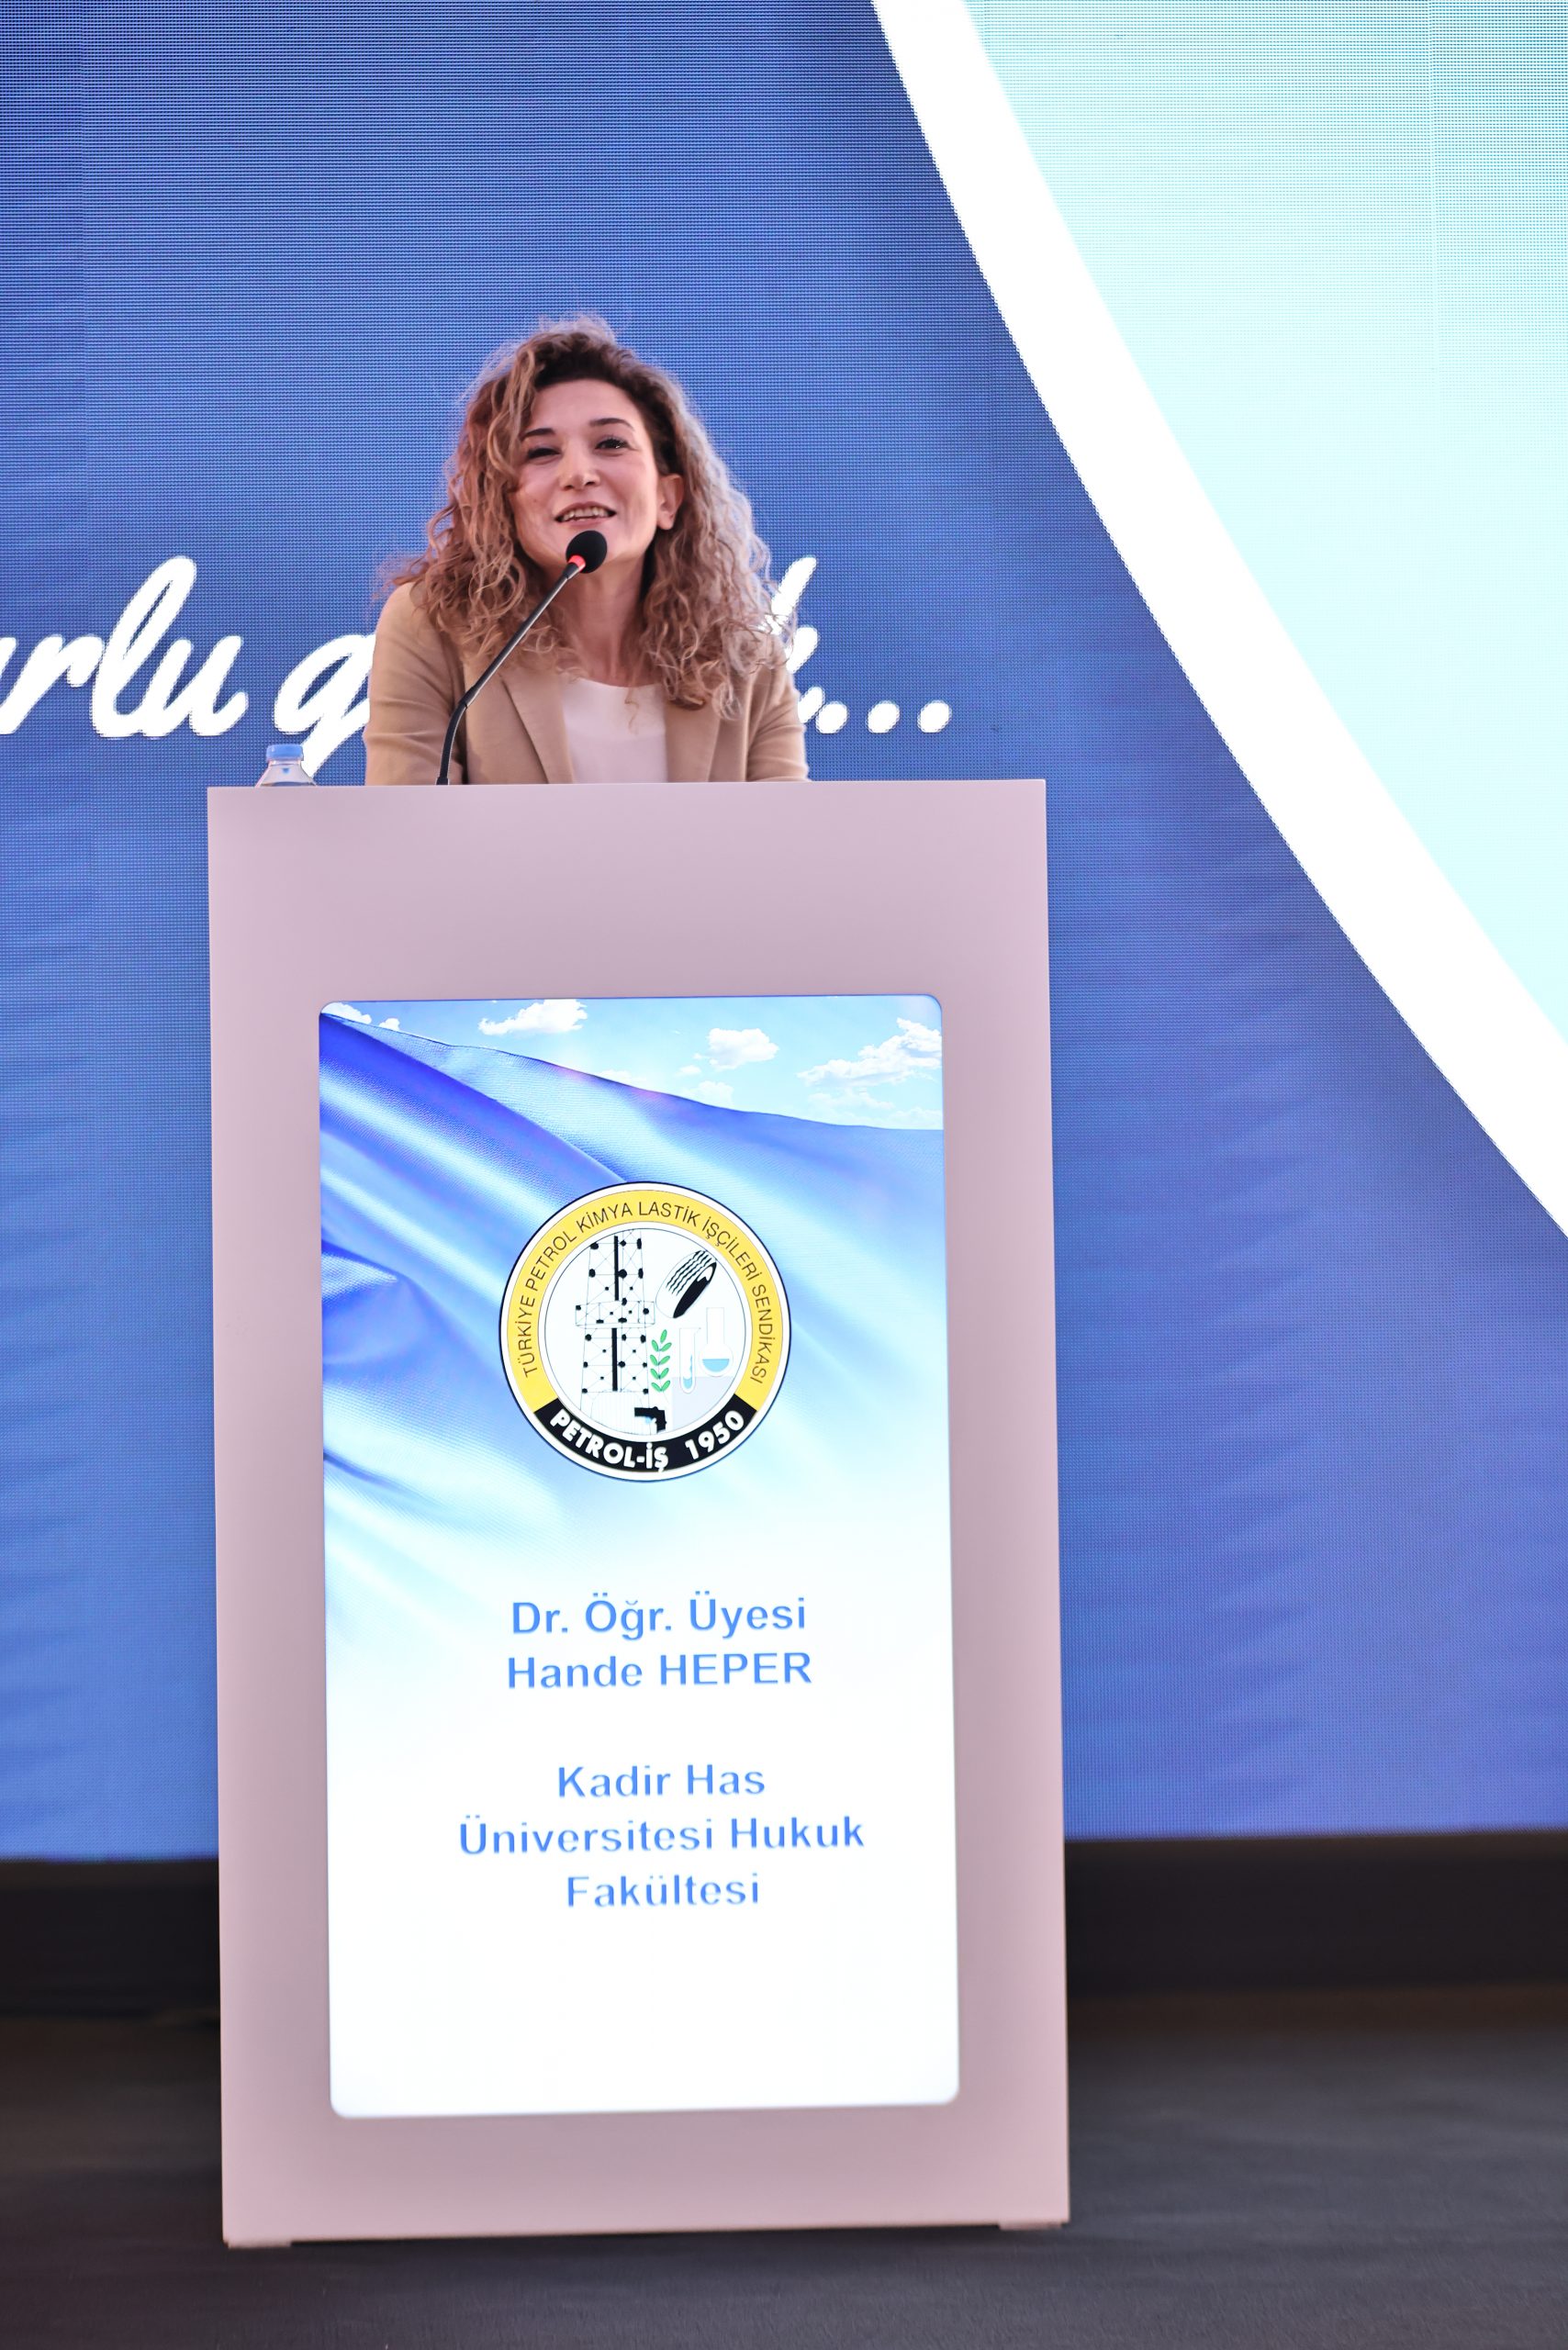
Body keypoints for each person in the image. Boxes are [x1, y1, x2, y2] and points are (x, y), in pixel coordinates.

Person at [364, 317, 808, 787]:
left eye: (611, 443)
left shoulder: (747, 661)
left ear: (668, 499)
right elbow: (406, 823)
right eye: (541, 452)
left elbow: (790, 830)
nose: (578, 473)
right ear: (503, 500)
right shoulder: (432, 626)